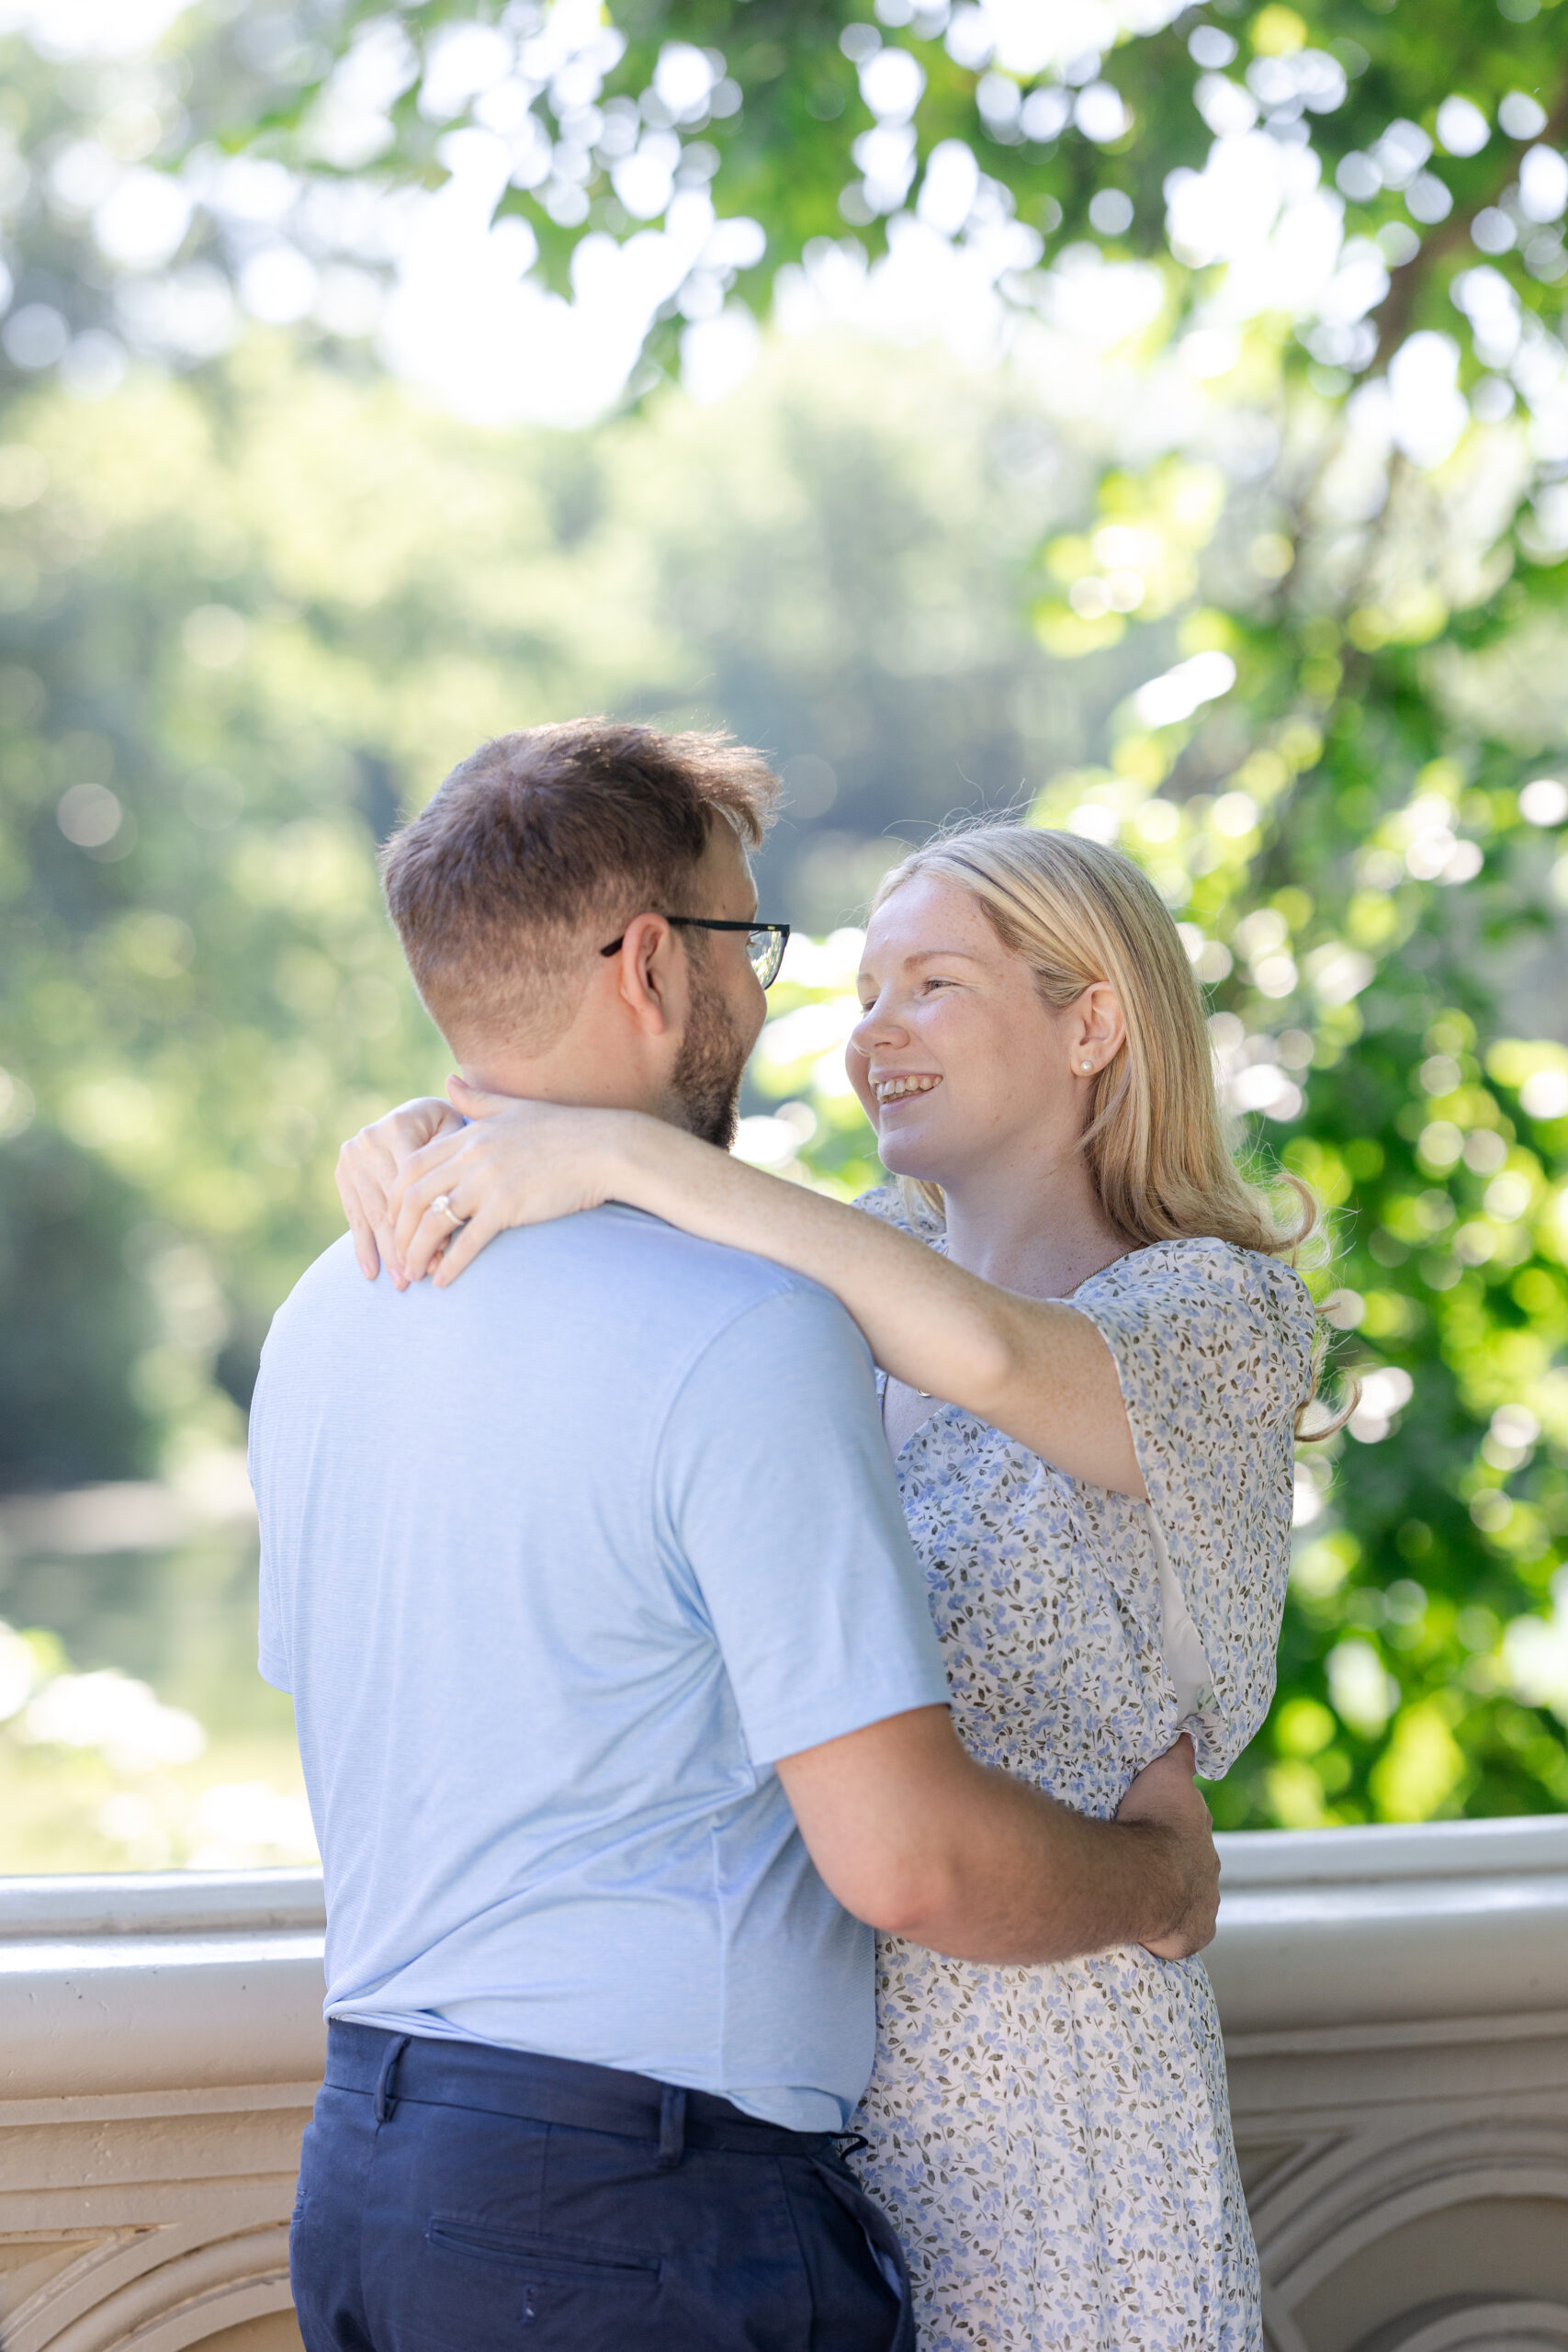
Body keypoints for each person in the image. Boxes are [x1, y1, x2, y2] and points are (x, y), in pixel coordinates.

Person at [257, 720, 1220, 2352]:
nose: (778, 1003)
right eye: (753, 943)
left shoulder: (327, 1308)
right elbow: (904, 1860)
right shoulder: (750, 1329)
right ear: (649, 963)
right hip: (639, 2221)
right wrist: (1154, 1876)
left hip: (370, 2177)